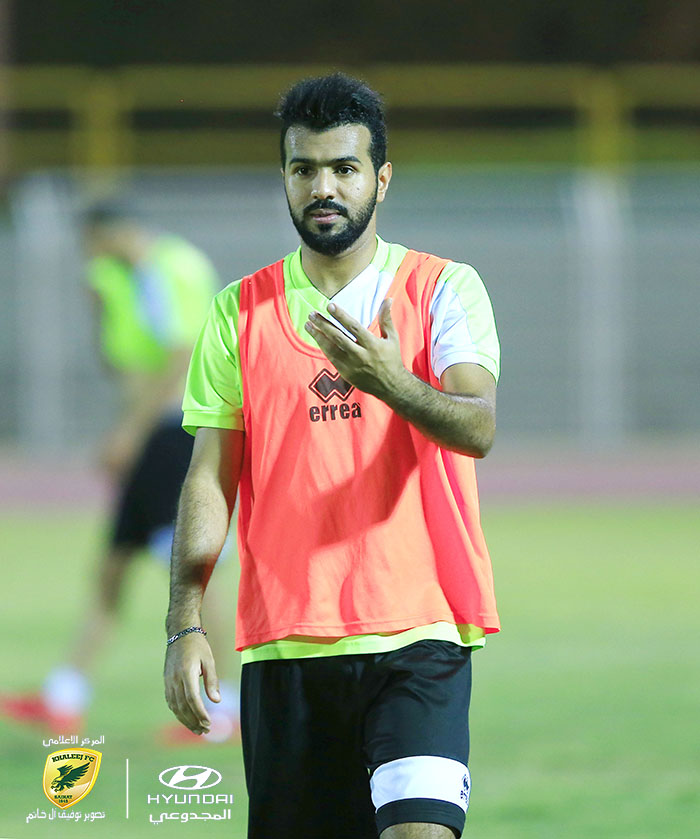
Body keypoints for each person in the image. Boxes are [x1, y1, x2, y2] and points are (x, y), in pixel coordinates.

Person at [164, 72, 500, 838]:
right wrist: (185, 622)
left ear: (382, 178)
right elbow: (210, 478)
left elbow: (476, 426)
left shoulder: (443, 289)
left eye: (345, 168)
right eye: (304, 168)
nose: (324, 187)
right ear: (284, 178)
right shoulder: (238, 310)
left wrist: (391, 380)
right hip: (284, 643)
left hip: (419, 638)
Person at [1, 203, 239, 742]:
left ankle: (224, 708)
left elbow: (182, 357)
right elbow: (121, 365)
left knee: (198, 574)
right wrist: (101, 313)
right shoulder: (121, 281)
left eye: (92, 244)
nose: (89, 256)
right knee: (112, 567)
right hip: (150, 438)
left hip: (177, 434)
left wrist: (128, 433)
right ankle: (65, 695)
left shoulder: (174, 269)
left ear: (113, 234)